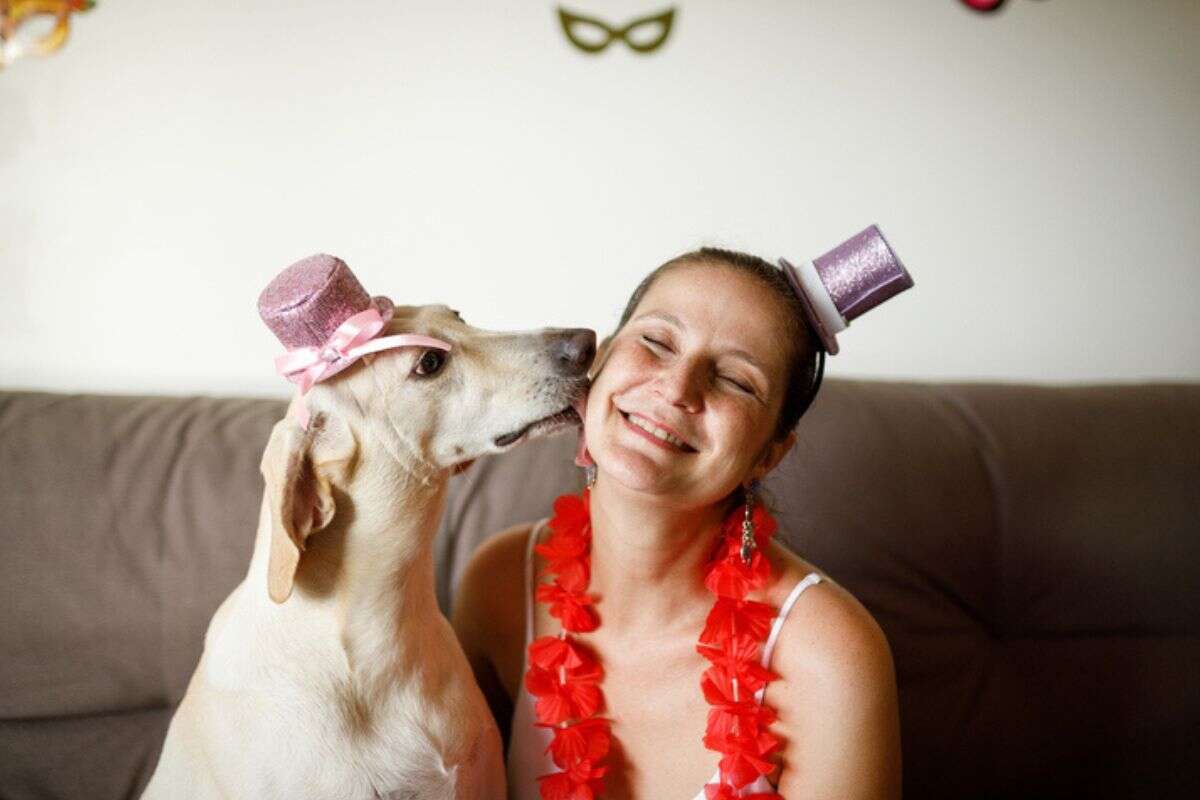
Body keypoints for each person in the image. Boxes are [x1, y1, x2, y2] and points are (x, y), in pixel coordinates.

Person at [453, 231, 910, 799]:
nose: (676, 387)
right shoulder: (497, 582)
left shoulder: (830, 654)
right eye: (657, 342)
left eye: (738, 380)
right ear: (601, 361)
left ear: (768, 454)